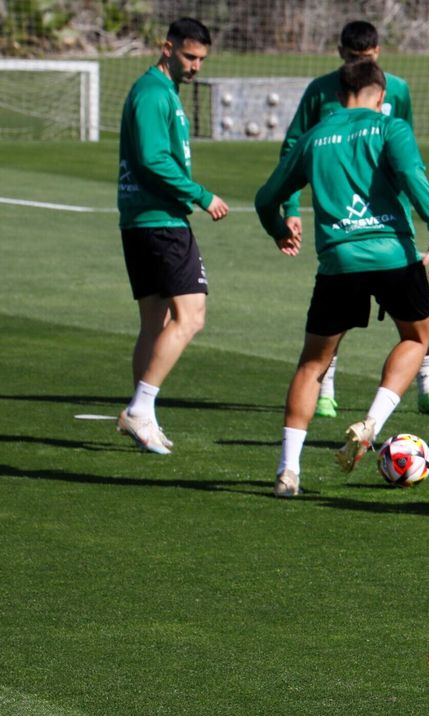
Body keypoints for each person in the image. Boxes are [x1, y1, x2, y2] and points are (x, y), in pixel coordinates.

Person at [254, 59, 429, 498]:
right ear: (381, 95)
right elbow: (412, 176)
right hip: (393, 256)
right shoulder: (391, 127)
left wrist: (279, 229)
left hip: (339, 262)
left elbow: (266, 197)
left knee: (313, 364)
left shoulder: (314, 137)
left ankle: (288, 471)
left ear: (340, 94)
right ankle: (373, 423)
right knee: (416, 339)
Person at [278, 20, 429, 419]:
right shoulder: (321, 91)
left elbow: (405, 144)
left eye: (365, 57)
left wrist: (414, 204)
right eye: (352, 57)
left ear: (377, 53)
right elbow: (294, 146)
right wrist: (291, 208)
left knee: (414, 313)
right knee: (336, 316)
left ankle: (427, 388)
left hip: (390, 217)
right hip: (342, 220)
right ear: (340, 54)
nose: (358, 64)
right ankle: (326, 390)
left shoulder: (397, 88)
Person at [115, 17, 229, 454]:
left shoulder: (165, 92)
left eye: (201, 59)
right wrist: (201, 195)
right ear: (167, 48)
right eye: (189, 56)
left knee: (154, 324)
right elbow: (152, 159)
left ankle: (143, 417)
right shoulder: (152, 92)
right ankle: (140, 408)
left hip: (142, 221)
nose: (196, 66)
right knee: (192, 316)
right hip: (160, 221)